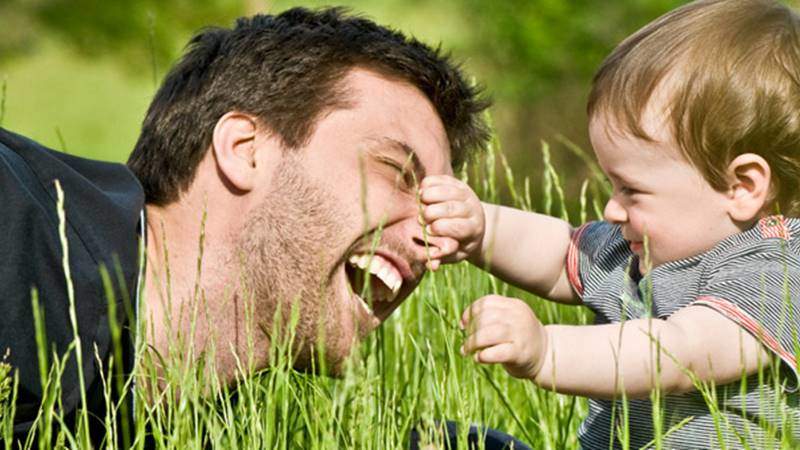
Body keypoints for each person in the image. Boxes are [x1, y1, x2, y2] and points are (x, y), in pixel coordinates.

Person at [1, 7, 492, 444]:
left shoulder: (241, 423)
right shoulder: (16, 226)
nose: (438, 239)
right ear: (244, 150)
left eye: (441, 205)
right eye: (398, 173)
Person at [420, 0, 800, 447]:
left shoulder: (778, 271)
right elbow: (563, 253)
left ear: (742, 185)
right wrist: (481, 228)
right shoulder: (649, 244)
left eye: (631, 190)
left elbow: (680, 353)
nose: (611, 210)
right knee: (445, 440)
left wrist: (548, 351)